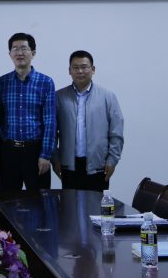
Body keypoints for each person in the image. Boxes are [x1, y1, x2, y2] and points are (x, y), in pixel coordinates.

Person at [53, 50, 124, 192]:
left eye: (84, 67)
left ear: (93, 69)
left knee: (96, 205)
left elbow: (116, 131)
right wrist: (55, 159)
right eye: (75, 67)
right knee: (70, 204)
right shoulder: (58, 97)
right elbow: (51, 132)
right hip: (69, 165)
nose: (80, 71)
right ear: (69, 70)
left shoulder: (107, 97)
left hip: (98, 166)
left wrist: (112, 159)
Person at [0, 32, 56, 191]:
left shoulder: (46, 82)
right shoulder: (2, 82)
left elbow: (50, 122)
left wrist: (45, 155)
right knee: (7, 200)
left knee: (39, 201)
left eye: (23, 48)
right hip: (8, 151)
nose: (19, 53)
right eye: (15, 49)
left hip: (35, 152)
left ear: (33, 53)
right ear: (9, 54)